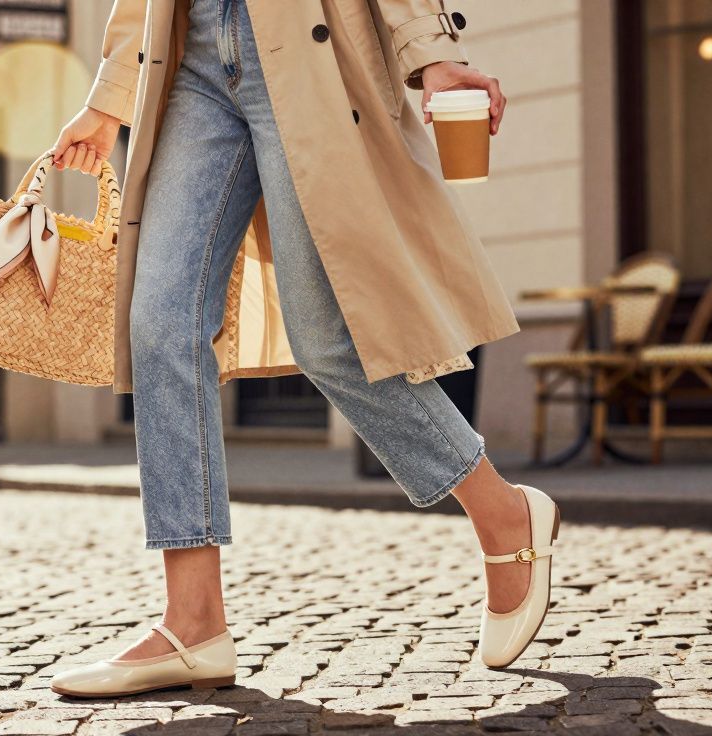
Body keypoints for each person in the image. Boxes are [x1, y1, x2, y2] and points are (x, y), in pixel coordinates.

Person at [45, 0, 557, 698]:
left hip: (300, 47)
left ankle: (504, 513)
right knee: (158, 327)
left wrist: (434, 54)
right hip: (192, 60)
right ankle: (193, 622)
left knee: (329, 341)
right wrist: (108, 98)